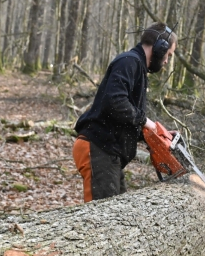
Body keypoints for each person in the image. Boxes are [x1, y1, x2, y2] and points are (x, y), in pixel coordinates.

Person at [72, 22, 177, 202]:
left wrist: (156, 136)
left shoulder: (136, 67)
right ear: (160, 48)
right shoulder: (129, 61)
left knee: (116, 214)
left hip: (109, 153)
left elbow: (123, 116)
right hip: (98, 148)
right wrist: (146, 122)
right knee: (101, 219)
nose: (167, 61)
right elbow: (114, 101)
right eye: (168, 55)